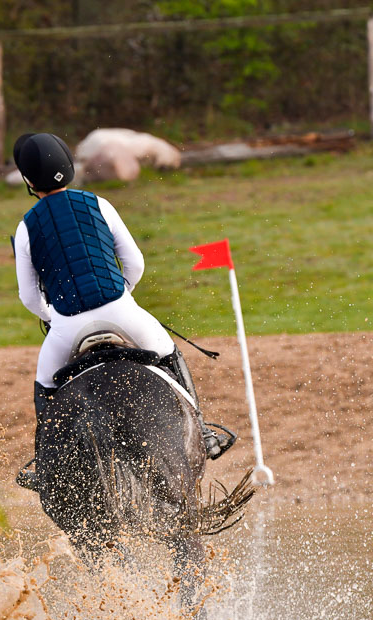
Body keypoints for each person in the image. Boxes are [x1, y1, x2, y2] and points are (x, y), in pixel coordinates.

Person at [12, 132, 235, 489]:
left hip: (68, 325)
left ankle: (45, 465)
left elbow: (27, 296)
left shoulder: (26, 228)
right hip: (123, 311)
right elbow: (134, 262)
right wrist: (120, 297)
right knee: (169, 354)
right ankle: (204, 430)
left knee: (45, 384)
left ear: (28, 180)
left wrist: (54, 316)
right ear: (69, 166)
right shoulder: (98, 203)